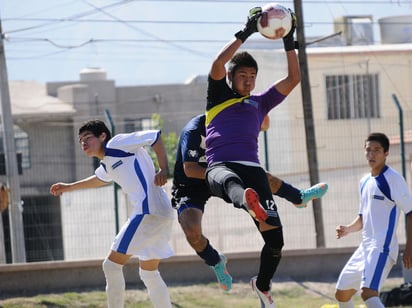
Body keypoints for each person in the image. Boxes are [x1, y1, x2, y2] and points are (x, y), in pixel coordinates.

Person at [203, 6, 325, 307]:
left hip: (252, 170)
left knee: (275, 241)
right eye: (242, 75)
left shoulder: (260, 103)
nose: (248, 80)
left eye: (252, 76)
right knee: (230, 181)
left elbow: (294, 78)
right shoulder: (218, 95)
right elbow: (218, 62)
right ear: (231, 77)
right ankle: (250, 200)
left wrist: (290, 40)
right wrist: (246, 32)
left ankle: (263, 284)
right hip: (219, 167)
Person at [171, 113, 328, 292]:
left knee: (262, 177)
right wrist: (217, 175)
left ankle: (298, 197)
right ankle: (215, 261)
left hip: (223, 173)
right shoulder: (193, 131)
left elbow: (264, 122)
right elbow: (190, 169)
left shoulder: (232, 122)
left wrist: (259, 115)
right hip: (191, 185)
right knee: (192, 231)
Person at [50, 120, 174, 308]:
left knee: (111, 266)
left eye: (88, 138)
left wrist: (164, 168)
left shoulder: (116, 144)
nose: (83, 142)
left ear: (102, 136)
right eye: (80, 140)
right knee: (149, 273)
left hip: (148, 211)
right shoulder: (108, 162)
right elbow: (100, 179)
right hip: (161, 212)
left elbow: (155, 136)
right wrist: (68, 187)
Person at [334, 132, 412, 308]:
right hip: (365, 247)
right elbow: (363, 217)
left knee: (368, 292)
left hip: (382, 247)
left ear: (386, 153)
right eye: (368, 150)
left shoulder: (393, 179)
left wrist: (409, 248)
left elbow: (410, 212)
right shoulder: (364, 181)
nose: (371, 154)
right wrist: (348, 229)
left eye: (377, 150)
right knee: (342, 293)